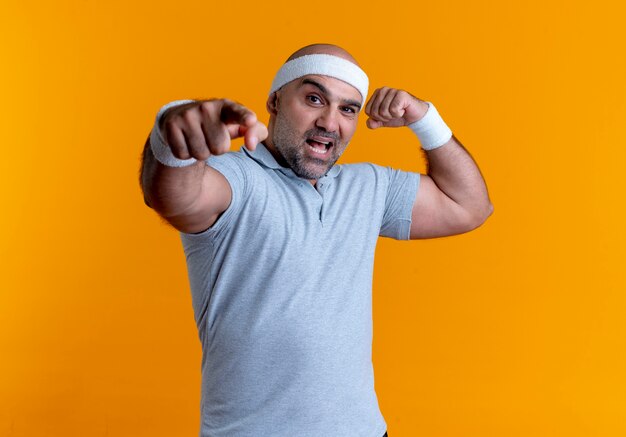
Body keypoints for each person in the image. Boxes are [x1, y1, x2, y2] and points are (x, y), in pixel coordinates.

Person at [139, 43, 493, 437]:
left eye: (347, 109)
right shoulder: (235, 179)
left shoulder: (369, 187)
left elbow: (470, 207)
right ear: (274, 101)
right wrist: (172, 143)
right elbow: (173, 196)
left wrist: (425, 119)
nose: (329, 122)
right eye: (313, 98)